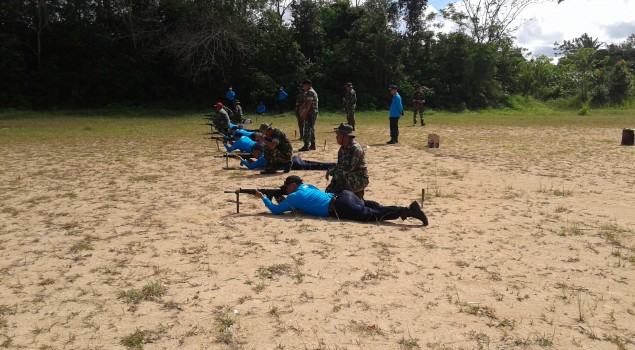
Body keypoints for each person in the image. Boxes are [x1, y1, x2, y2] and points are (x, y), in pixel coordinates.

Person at [251, 175, 429, 226]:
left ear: (293, 185)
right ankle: (403, 208)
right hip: (345, 195)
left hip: (339, 206)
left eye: (286, 186)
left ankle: (406, 212)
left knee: (371, 216)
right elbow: (308, 201)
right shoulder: (307, 187)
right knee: (372, 207)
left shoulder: (294, 196)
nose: (285, 189)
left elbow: (275, 211)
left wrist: (264, 198)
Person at [325, 123, 369, 199]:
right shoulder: (342, 149)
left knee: (339, 173)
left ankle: (352, 198)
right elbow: (339, 166)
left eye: (338, 134)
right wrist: (332, 185)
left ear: (345, 136)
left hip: (360, 179)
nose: (336, 137)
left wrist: (331, 171)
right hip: (349, 177)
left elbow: (347, 168)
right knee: (331, 189)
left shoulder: (355, 149)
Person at [239, 143, 335, 171]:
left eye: (254, 152)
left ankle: (333, 166)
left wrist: (242, 160)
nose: (253, 154)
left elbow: (252, 167)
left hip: (295, 164)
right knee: (316, 164)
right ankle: (334, 164)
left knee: (317, 166)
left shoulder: (262, 158)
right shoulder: (265, 156)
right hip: (294, 160)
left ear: (259, 151)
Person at [298, 79, 318, 152]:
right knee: (311, 128)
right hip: (313, 111)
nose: (303, 86)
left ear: (308, 85)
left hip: (311, 112)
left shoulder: (310, 92)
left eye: (304, 85)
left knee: (307, 128)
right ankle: (312, 145)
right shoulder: (312, 91)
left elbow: (309, 104)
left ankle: (306, 145)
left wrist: (304, 113)